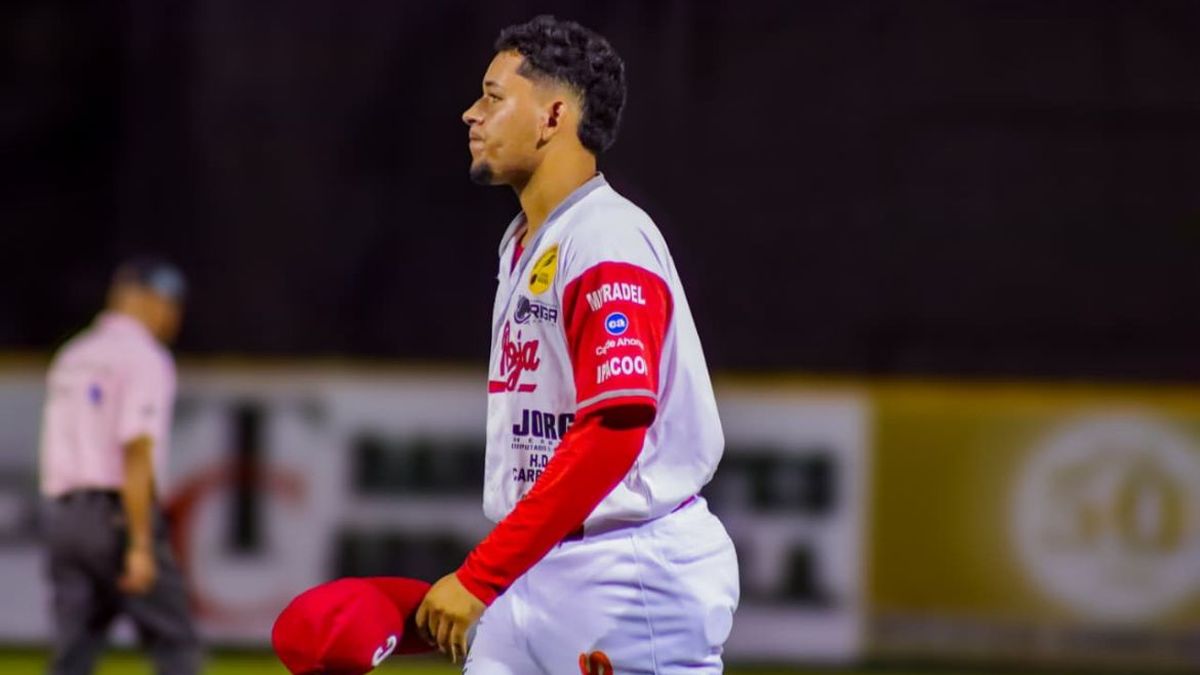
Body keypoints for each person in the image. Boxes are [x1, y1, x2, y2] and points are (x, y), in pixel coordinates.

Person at [415, 15, 739, 674]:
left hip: (629, 573)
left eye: (493, 95)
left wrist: (480, 574)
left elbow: (614, 428)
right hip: (539, 563)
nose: (470, 114)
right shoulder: (525, 241)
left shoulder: (605, 237)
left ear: (552, 115)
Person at [38, 258, 200, 675]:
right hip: (116, 517)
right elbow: (136, 450)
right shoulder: (144, 358)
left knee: (73, 654)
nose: (173, 316)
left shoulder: (74, 354)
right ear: (146, 301)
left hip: (64, 518)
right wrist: (141, 543)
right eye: (169, 304)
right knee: (175, 645)